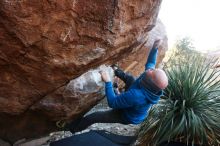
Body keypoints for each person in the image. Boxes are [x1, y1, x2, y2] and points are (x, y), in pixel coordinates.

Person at [67, 40, 168, 133]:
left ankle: (72, 128)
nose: (150, 69)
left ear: (150, 81)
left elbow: (112, 102)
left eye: (152, 71)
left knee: (94, 117)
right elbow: (151, 63)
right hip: (134, 102)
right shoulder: (151, 81)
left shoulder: (137, 95)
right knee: (130, 79)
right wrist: (155, 48)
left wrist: (108, 82)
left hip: (127, 116)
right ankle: (115, 70)